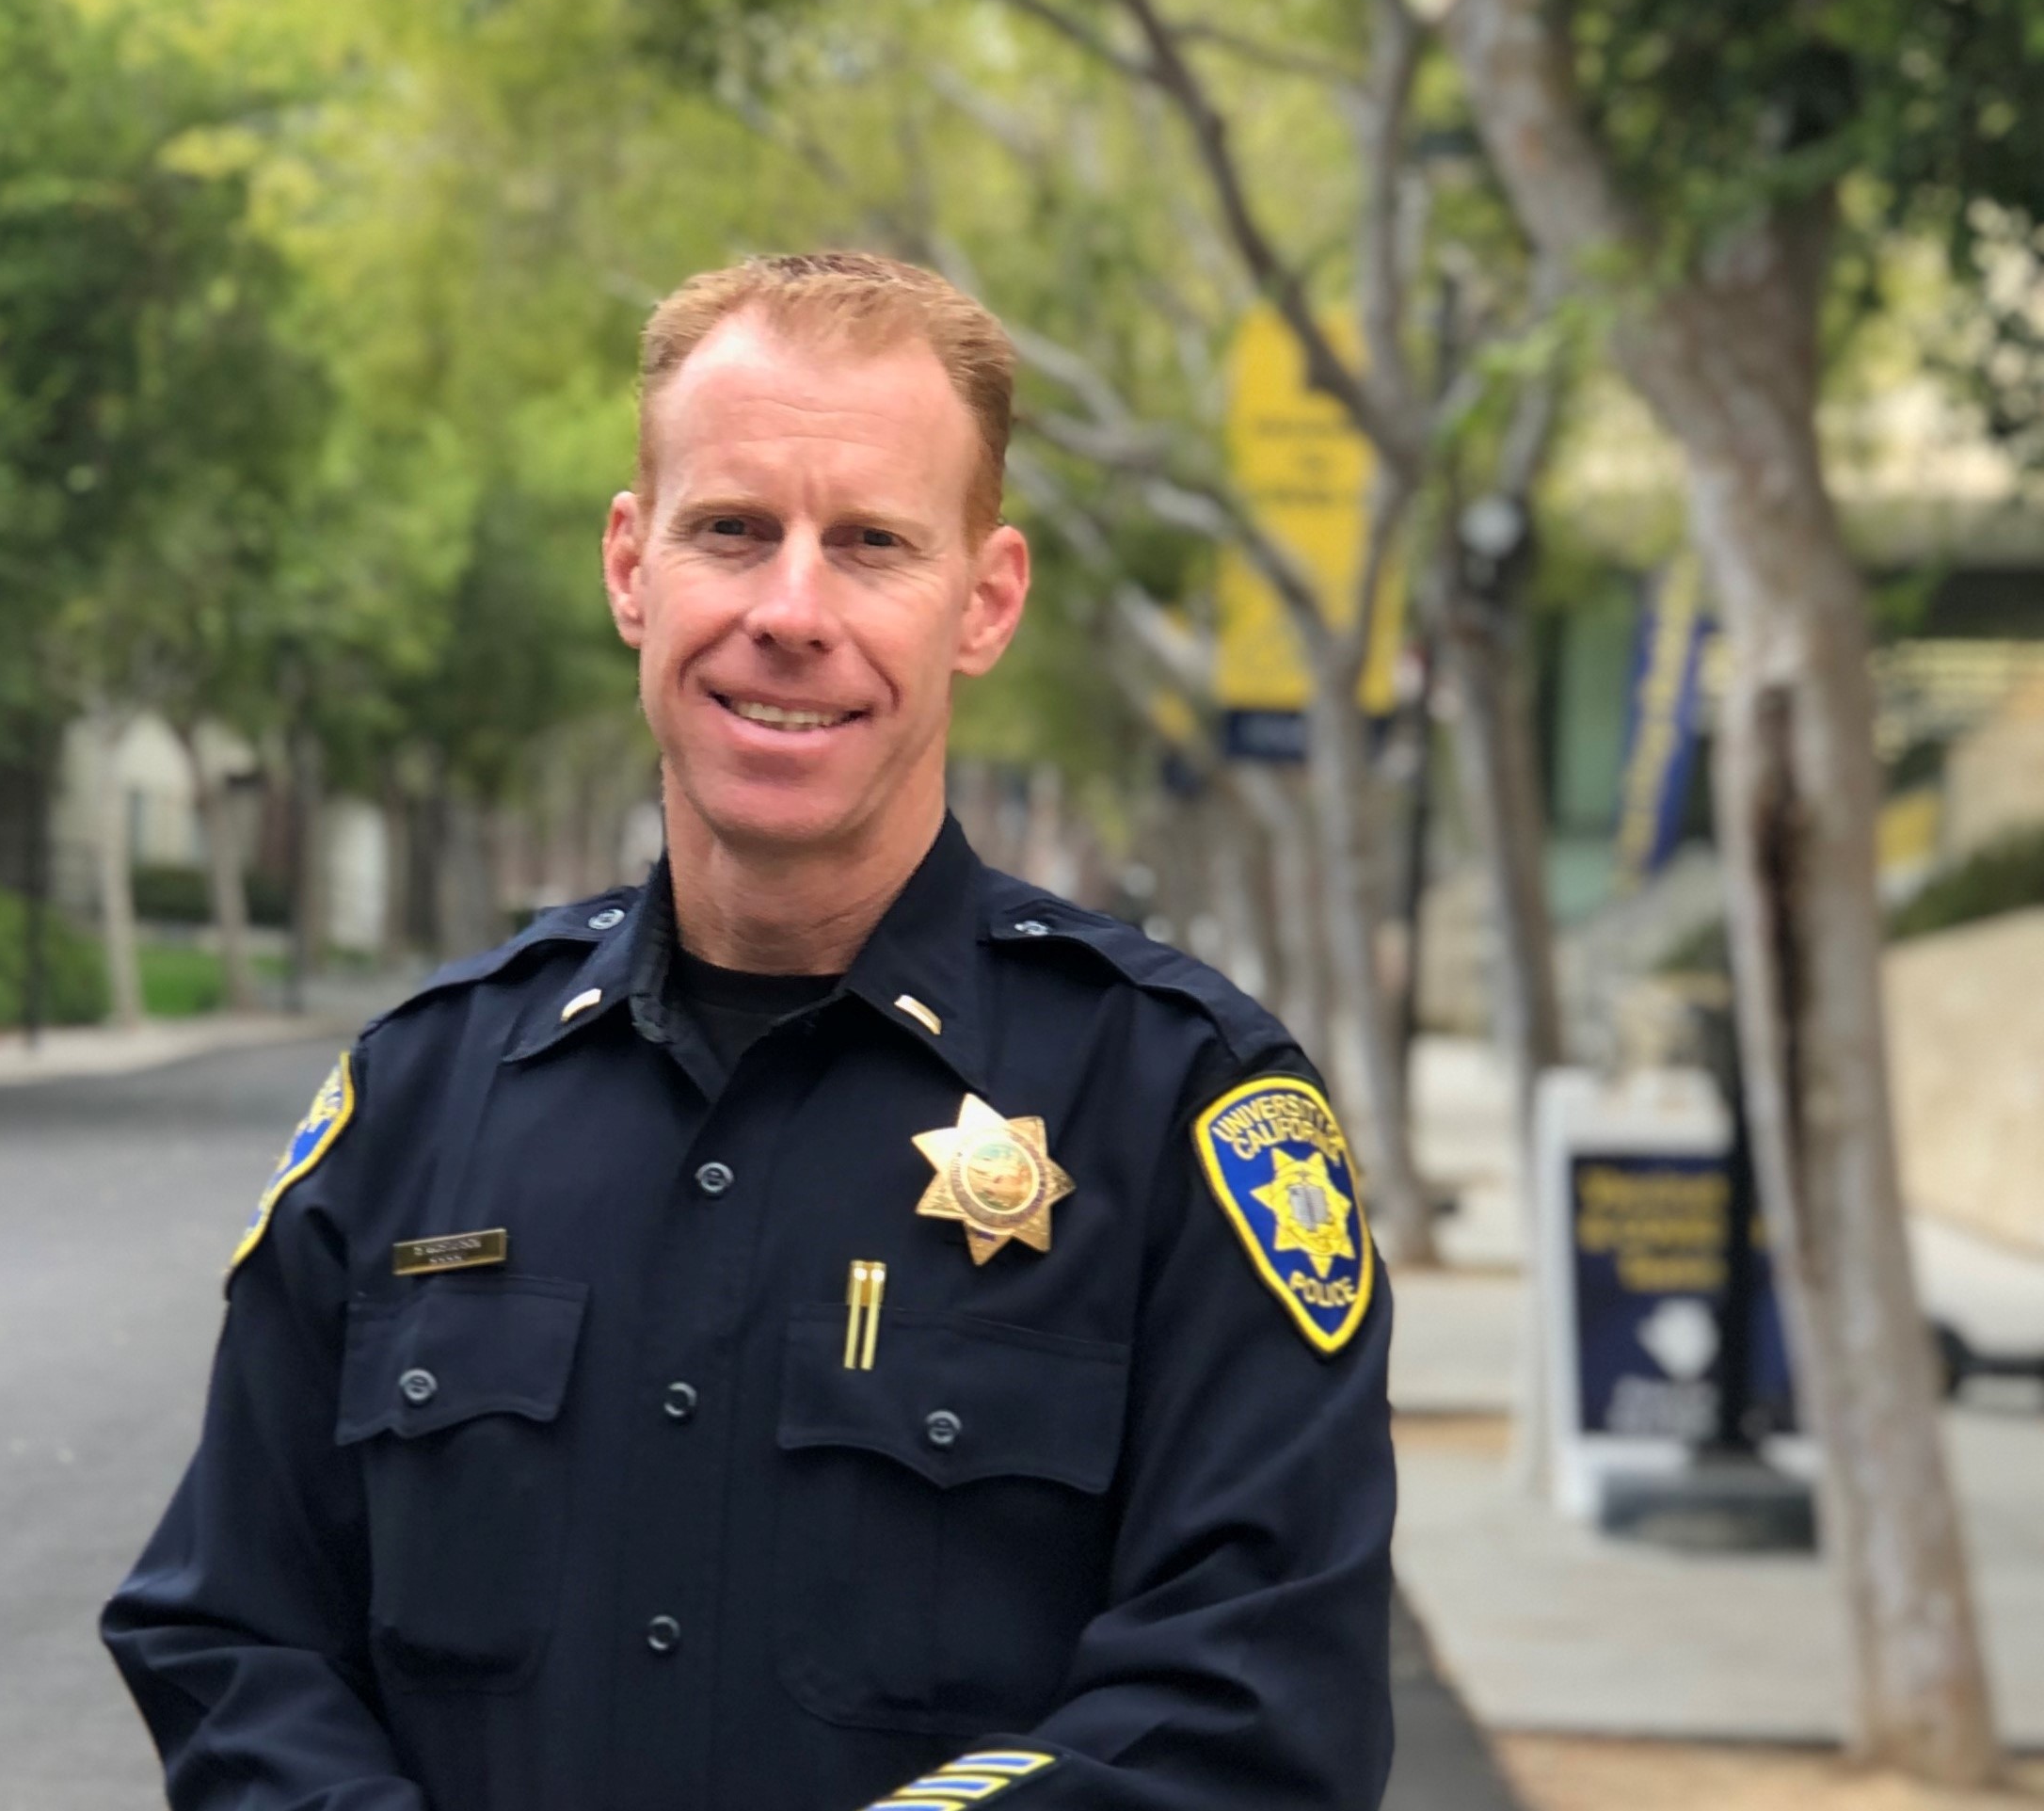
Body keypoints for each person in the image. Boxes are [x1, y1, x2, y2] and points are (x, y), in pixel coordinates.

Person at [102, 253, 1396, 1810]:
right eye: (731, 529)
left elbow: (1250, 1707)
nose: (790, 610)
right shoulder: (419, 1097)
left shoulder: (1177, 1109)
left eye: (868, 544)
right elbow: (235, 1631)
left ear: (979, 601)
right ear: (629, 565)